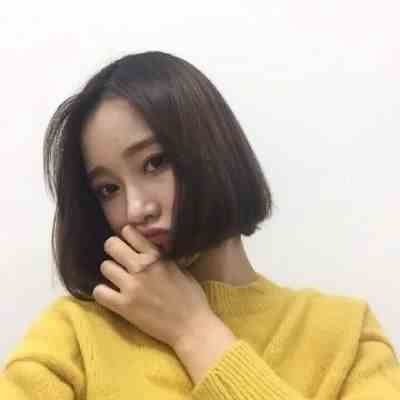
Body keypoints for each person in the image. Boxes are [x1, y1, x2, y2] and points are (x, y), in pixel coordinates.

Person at [1, 51, 399, 399]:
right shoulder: (72, 334)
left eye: (154, 163)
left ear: (212, 149)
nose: (135, 209)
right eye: (108, 189)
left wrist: (194, 331)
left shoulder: (346, 336)